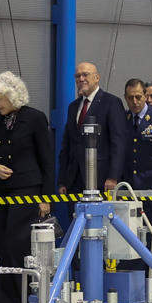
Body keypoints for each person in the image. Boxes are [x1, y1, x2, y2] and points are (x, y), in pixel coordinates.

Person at [0, 70, 53, 303]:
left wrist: (46, 198)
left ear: (13, 96)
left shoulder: (34, 118)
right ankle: (2, 302)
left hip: (27, 189)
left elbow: (47, 160)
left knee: (17, 244)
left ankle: (23, 300)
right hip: (1, 190)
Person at [58, 60, 130, 199]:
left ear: (97, 78)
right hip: (74, 180)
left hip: (101, 180)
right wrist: (62, 180)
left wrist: (113, 177)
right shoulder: (73, 107)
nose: (81, 79)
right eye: (77, 76)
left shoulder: (111, 103)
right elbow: (67, 145)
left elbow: (118, 142)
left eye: (85, 75)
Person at [124, 76, 152, 188]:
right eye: (130, 98)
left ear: (145, 96)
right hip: (129, 183)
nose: (134, 102)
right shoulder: (123, 118)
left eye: (138, 97)